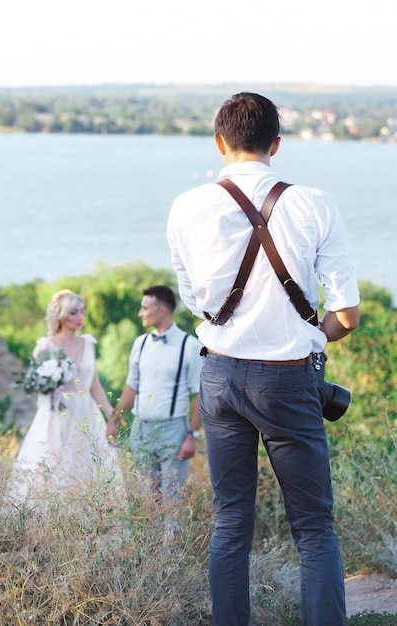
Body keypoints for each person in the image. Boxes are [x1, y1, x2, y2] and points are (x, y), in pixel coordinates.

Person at [167, 93, 360, 626]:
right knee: (315, 529)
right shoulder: (315, 203)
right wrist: (312, 336)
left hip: (220, 377)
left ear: (219, 142)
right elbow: (347, 314)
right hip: (288, 381)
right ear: (276, 144)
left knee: (230, 524)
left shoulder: (186, 206)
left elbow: (193, 299)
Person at [9, 289, 123, 502]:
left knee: (88, 467)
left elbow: (94, 386)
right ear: (60, 315)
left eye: (82, 312)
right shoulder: (45, 346)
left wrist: (111, 414)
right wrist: (49, 383)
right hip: (57, 414)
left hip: (86, 415)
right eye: (73, 313)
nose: (80, 317)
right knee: (52, 467)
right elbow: (34, 384)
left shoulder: (88, 343)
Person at [106, 285, 202, 501]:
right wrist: (114, 420)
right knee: (147, 499)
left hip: (174, 429)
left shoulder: (190, 346)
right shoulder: (140, 344)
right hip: (140, 429)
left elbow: (200, 395)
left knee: (172, 499)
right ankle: (152, 537)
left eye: (145, 308)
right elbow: (132, 387)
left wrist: (192, 435)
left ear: (162, 311)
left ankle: (172, 536)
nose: (140, 313)